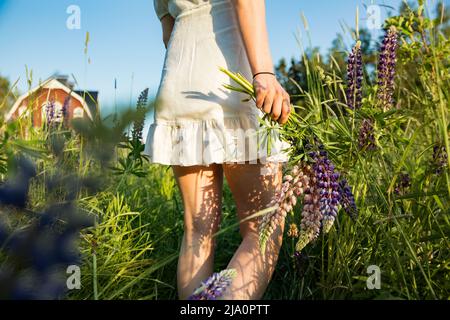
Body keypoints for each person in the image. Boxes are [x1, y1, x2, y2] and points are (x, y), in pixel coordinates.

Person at [145, 0, 292, 300]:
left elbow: (167, 33)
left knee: (198, 232)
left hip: (180, 79)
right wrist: (263, 72)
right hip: (232, 74)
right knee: (263, 225)